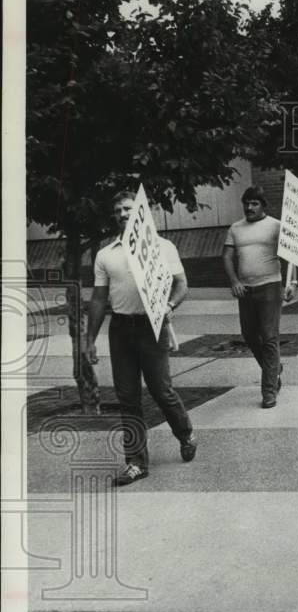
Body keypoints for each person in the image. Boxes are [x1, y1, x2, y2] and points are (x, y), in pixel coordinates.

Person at [86, 190, 196, 486]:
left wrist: (170, 306)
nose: (123, 214)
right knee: (127, 397)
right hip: (121, 328)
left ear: (140, 213)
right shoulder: (106, 254)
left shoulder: (162, 247)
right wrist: (89, 340)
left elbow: (181, 284)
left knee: (162, 391)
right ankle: (136, 462)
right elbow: (98, 300)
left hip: (153, 325)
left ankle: (185, 433)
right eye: (118, 210)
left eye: (128, 209)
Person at [222, 186, 297, 409]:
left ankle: (268, 392)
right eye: (246, 203)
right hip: (245, 289)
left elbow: (292, 253)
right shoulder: (235, 228)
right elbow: (226, 256)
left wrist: (292, 281)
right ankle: (273, 368)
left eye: (254, 203)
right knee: (249, 334)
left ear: (263, 205)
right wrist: (234, 281)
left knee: (269, 336)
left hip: (270, 287)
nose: (249, 207)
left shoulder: (276, 226)